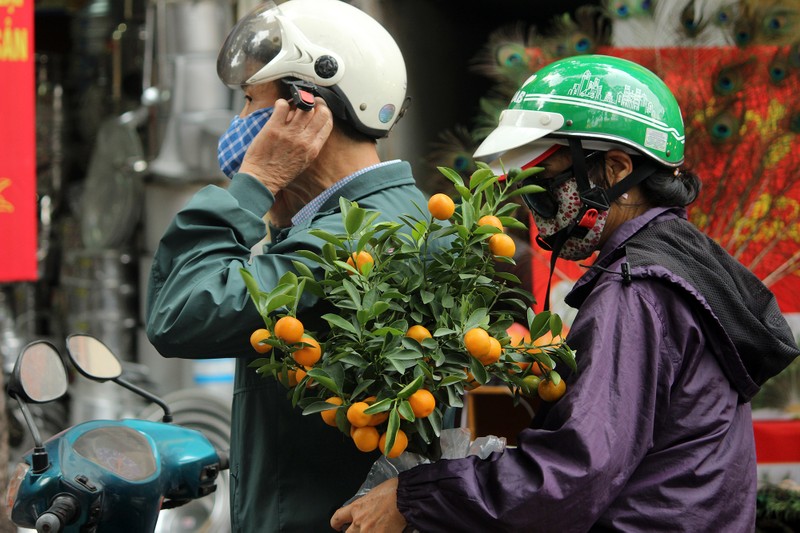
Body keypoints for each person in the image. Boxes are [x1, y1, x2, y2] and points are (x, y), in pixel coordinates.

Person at [331, 55, 800, 532]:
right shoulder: (681, 264)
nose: (536, 207)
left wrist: (414, 498)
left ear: (616, 169)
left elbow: (570, 477)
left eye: (547, 184)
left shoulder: (635, 292)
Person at [145, 1, 422, 531]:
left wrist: (253, 184)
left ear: (305, 109)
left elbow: (179, 313)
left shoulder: (349, 242)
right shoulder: (386, 217)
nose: (240, 123)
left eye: (251, 100)